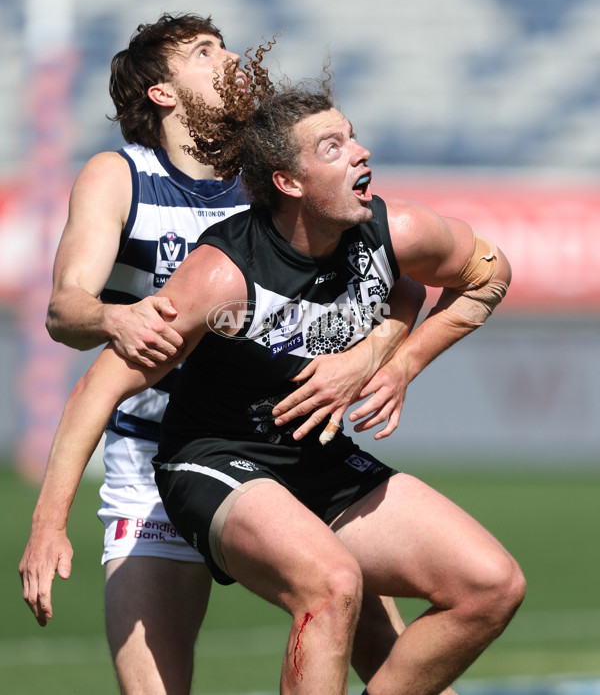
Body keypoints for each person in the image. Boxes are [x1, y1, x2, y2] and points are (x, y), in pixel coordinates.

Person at [20, 82, 525, 694]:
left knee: (492, 586)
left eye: (353, 135)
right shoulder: (221, 276)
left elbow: (486, 275)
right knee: (333, 582)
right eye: (333, 147)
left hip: (314, 455)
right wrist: (48, 526)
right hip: (214, 458)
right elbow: (94, 391)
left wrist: (392, 363)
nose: (361, 153)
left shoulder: (397, 230)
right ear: (289, 183)